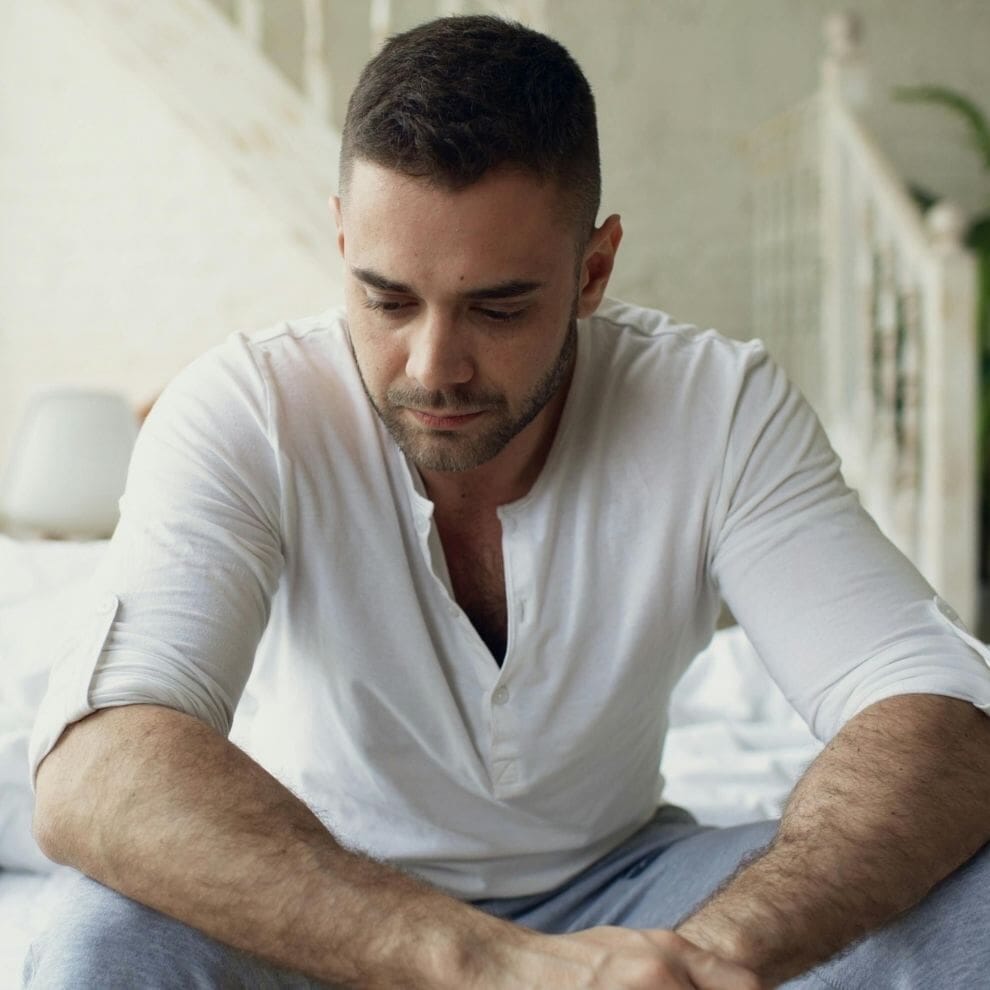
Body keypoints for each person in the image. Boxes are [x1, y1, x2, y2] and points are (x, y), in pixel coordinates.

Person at [25, 15, 990, 990]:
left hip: (633, 897)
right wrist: (490, 967)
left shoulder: (717, 406)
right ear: (342, 242)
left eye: (497, 308)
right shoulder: (246, 408)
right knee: (90, 940)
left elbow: (944, 712)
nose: (433, 368)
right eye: (388, 300)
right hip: (317, 898)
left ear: (594, 270)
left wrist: (705, 961)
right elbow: (98, 767)